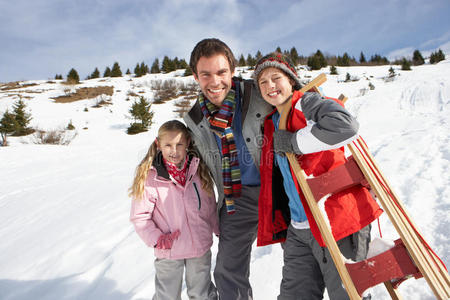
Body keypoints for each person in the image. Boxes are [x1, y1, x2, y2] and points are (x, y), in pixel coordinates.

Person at [253, 52, 383, 300]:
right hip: (300, 229)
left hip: (336, 221)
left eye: (275, 77)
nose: (270, 85)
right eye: (263, 82)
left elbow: (346, 125)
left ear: (291, 79)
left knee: (347, 294)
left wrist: (294, 142)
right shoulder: (271, 122)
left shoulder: (306, 103)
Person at [183, 38, 273, 299]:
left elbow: (293, 97)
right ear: (195, 76)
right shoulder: (195, 119)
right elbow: (190, 158)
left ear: (232, 71)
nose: (215, 82)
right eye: (206, 74)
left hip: (278, 188)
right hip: (236, 199)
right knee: (226, 270)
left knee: (314, 252)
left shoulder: (257, 92)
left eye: (221, 72)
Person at [129, 120, 219, 300]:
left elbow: (209, 207)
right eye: (168, 145)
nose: (174, 150)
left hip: (199, 246)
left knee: (201, 294)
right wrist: (157, 239)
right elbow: (140, 217)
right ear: (158, 145)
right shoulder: (151, 177)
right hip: (169, 249)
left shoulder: (198, 171)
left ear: (188, 143)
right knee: (167, 295)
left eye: (179, 144)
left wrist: (220, 230)